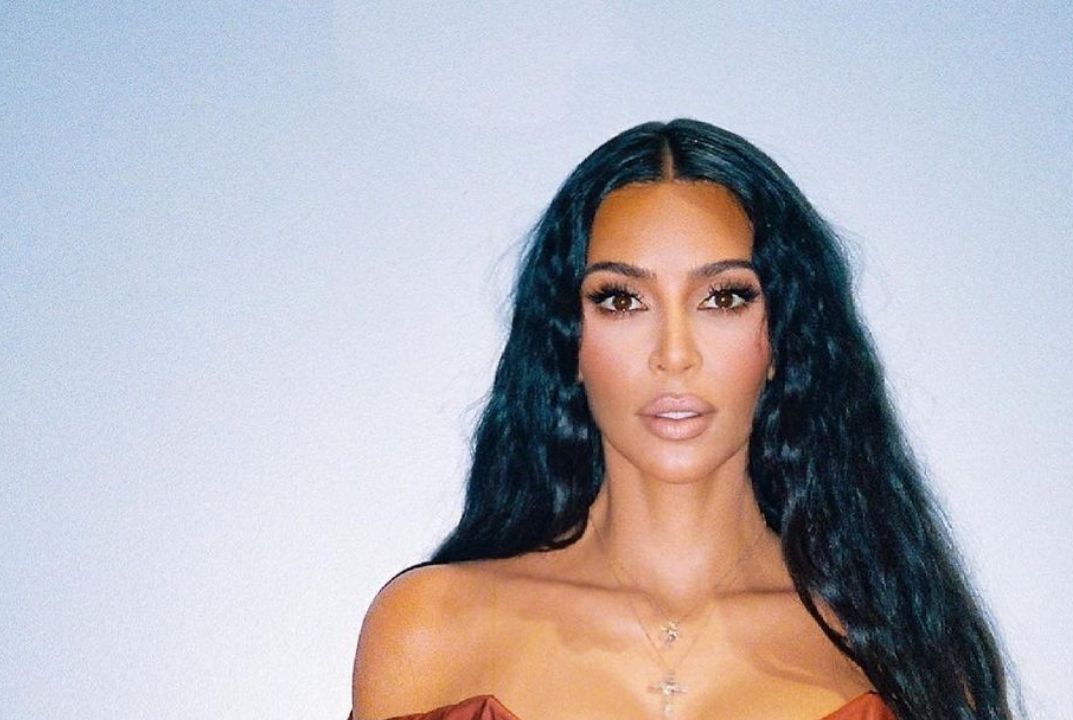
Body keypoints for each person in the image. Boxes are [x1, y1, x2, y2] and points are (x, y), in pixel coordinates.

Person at [351, 119, 1014, 720]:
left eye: (723, 298)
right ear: (566, 339)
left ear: (784, 336)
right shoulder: (431, 629)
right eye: (622, 300)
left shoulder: (905, 654)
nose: (673, 354)